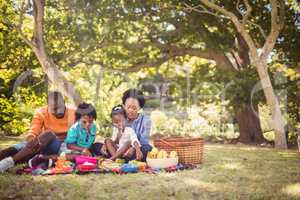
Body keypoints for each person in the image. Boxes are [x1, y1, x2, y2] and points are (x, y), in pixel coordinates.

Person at [0, 91, 75, 172]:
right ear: (48, 107)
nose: (58, 111)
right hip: (42, 144)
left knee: (48, 134)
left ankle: (9, 162)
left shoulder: (73, 113)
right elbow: (33, 131)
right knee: (16, 149)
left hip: (61, 147)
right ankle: (13, 160)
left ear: (64, 103)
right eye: (54, 109)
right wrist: (31, 141)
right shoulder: (41, 112)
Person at [28, 102, 97, 166]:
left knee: (82, 158)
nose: (88, 124)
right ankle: (42, 158)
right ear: (78, 120)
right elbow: (69, 145)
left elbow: (90, 141)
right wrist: (83, 149)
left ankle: (50, 161)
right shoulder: (74, 128)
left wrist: (88, 150)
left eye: (91, 121)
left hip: (81, 151)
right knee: (73, 157)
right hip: (69, 148)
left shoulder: (93, 127)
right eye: (84, 122)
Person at [121, 89, 152, 161]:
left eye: (134, 108)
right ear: (124, 106)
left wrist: (133, 148)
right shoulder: (120, 118)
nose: (130, 110)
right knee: (98, 146)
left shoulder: (146, 120)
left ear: (140, 107)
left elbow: (144, 141)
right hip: (121, 148)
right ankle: (122, 156)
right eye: (128, 107)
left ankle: (125, 158)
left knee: (147, 149)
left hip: (138, 149)